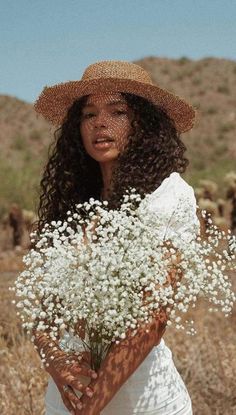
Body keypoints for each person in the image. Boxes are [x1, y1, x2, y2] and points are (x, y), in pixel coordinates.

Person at [33, 60, 200, 415]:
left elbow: (153, 319)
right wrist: (57, 364)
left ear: (144, 123)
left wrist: (94, 400)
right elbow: (44, 309)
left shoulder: (168, 197)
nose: (100, 123)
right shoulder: (71, 206)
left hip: (144, 403)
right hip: (67, 399)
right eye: (88, 114)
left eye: (118, 111)